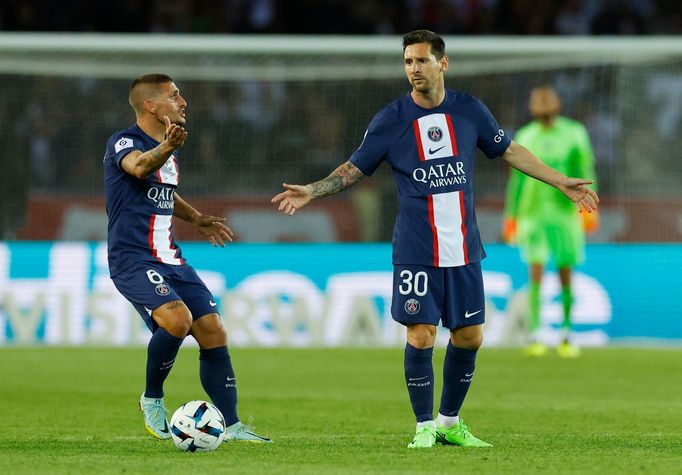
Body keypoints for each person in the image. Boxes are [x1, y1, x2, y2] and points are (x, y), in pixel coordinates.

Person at [272, 30, 598, 449]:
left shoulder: (469, 110)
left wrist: (558, 181)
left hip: (463, 245)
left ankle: (449, 422)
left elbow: (510, 149)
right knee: (421, 332)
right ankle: (423, 426)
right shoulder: (391, 119)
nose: (414, 69)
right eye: (408, 61)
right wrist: (313, 190)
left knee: (469, 336)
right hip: (417, 247)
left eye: (422, 61)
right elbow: (355, 168)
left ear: (442, 63)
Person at [103, 73, 271, 443]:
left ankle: (232, 425)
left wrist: (196, 218)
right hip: (133, 259)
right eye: (175, 96)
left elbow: (163, 190)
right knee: (178, 320)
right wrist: (166, 147)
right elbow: (139, 167)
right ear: (151, 106)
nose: (184, 102)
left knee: (212, 328)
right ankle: (152, 398)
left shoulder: (167, 151)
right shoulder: (125, 141)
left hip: (171, 258)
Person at [502, 86, 598, 358]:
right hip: (532, 215)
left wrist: (592, 208)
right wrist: (511, 216)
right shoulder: (525, 135)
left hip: (566, 213)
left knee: (565, 272)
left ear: (556, 104)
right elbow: (517, 182)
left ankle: (567, 332)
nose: (542, 105)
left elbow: (586, 171)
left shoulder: (574, 133)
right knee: (535, 273)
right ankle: (535, 333)